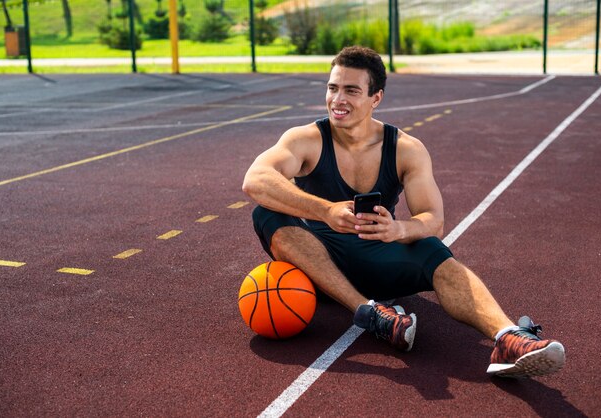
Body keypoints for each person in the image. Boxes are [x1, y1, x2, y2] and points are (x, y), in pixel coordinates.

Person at [242, 46, 565, 378]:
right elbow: (255, 179)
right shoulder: (305, 139)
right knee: (267, 213)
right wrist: (325, 211)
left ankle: (508, 338)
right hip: (318, 262)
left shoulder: (405, 150)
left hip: (379, 258)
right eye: (332, 87)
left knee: (431, 249)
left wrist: (398, 230)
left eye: (351, 91)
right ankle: (370, 313)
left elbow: (432, 219)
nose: (338, 99)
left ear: (376, 98)